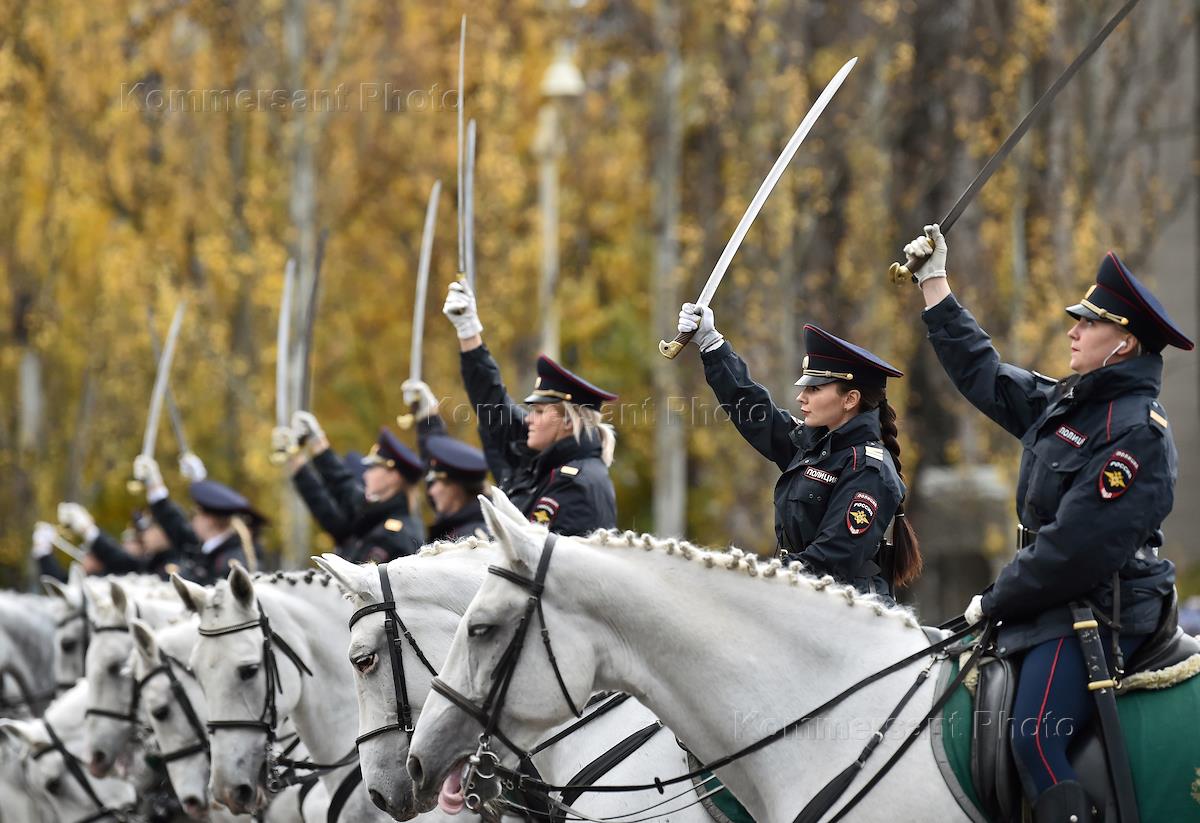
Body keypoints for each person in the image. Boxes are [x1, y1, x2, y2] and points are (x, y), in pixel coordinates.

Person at [904, 225, 1189, 821]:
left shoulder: (1136, 433)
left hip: (1099, 608)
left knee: (1035, 738)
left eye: (1088, 323)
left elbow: (1076, 551)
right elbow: (987, 376)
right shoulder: (1072, 404)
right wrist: (935, 285)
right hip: (1051, 598)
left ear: (1124, 343)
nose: (1072, 331)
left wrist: (996, 597)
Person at [678, 305, 921, 598]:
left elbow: (830, 561)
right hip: (804, 600)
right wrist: (712, 345)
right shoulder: (816, 446)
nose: (801, 397)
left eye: (814, 389)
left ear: (850, 399)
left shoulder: (869, 469)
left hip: (845, 612)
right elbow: (756, 413)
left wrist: (753, 577)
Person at [442, 281, 618, 535]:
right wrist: (468, 332)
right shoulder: (544, 462)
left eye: (539, 412)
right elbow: (493, 406)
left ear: (568, 422)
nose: (528, 420)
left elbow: (543, 560)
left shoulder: (578, 482)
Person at [283, 413, 425, 563]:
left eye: (373, 468)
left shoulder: (394, 535)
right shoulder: (377, 515)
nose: (366, 475)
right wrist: (315, 444)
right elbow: (343, 489)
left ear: (393, 476)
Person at [131, 453, 261, 585]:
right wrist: (155, 486)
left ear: (210, 520)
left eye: (196, 513)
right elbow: (176, 525)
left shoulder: (229, 563)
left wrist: (200, 482)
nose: (193, 519)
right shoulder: (211, 550)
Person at [401, 379, 490, 541]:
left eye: (437, 483)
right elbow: (435, 460)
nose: (431, 491)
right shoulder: (459, 523)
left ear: (455, 488)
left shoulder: (470, 540)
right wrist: (428, 419)